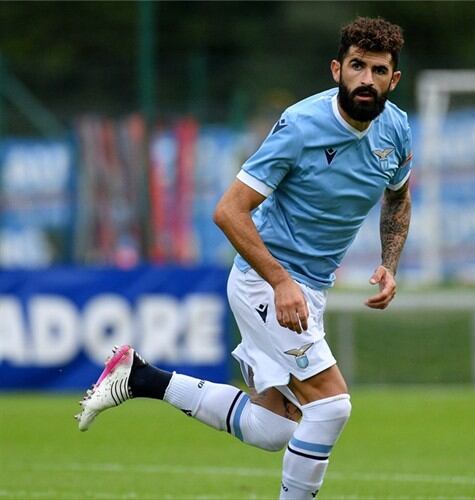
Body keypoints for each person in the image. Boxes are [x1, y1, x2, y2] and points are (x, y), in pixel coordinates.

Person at [75, 17, 413, 499]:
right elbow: (228, 211)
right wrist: (280, 281)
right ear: (337, 69)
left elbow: (398, 197)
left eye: (378, 71)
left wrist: (390, 263)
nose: (366, 79)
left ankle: (142, 378)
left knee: (271, 428)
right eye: (357, 66)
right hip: (266, 281)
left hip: (309, 288)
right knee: (331, 406)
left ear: (393, 79)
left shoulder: (396, 130)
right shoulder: (301, 126)